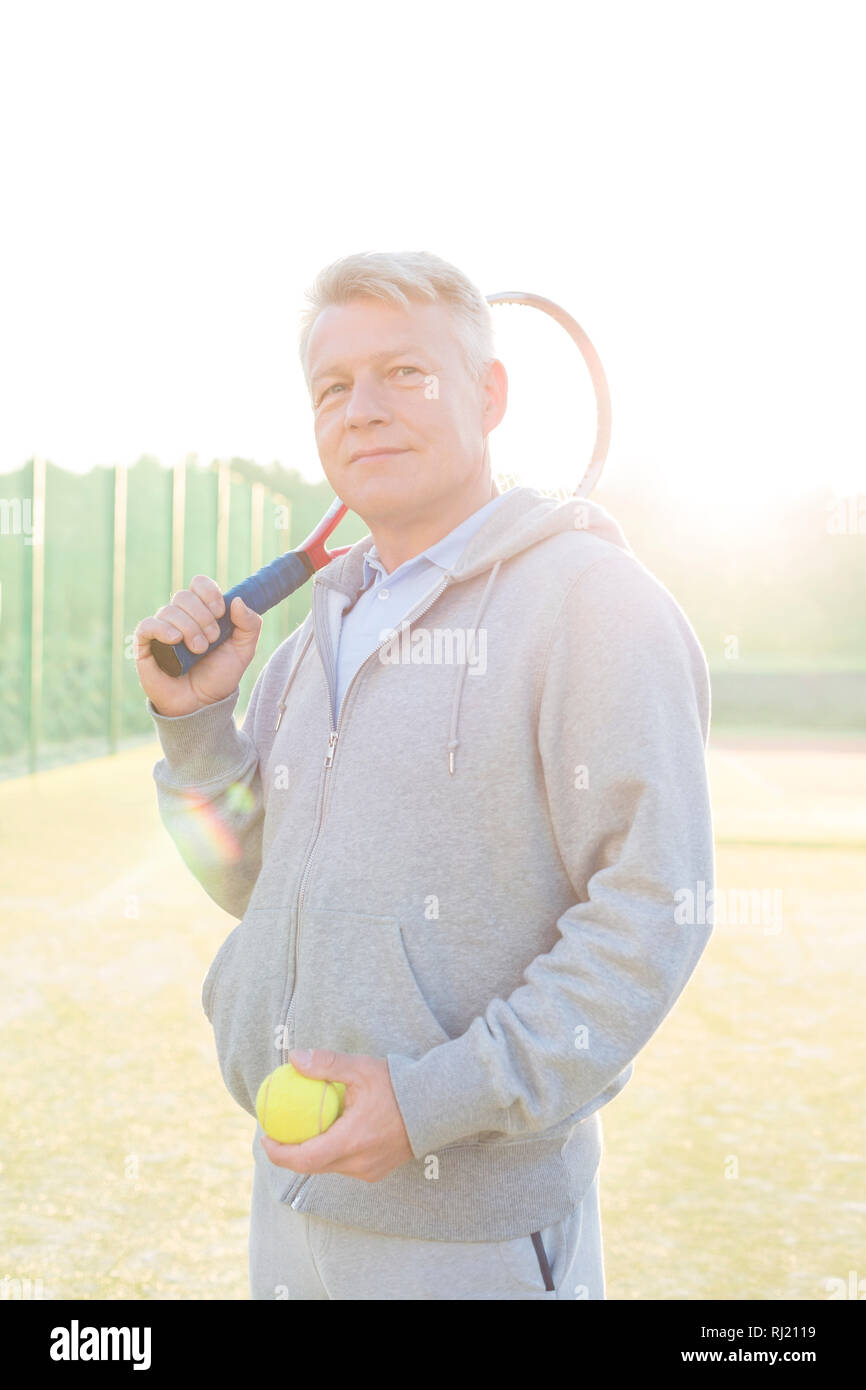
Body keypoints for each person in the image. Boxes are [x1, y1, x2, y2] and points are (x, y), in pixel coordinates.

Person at [134, 249, 715, 1301]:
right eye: (333, 386)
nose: (363, 409)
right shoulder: (312, 636)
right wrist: (195, 725)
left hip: (470, 1236)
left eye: (404, 372)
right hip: (291, 1193)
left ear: (487, 395)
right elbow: (248, 884)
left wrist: (430, 1100)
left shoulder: (595, 603)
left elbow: (653, 908)